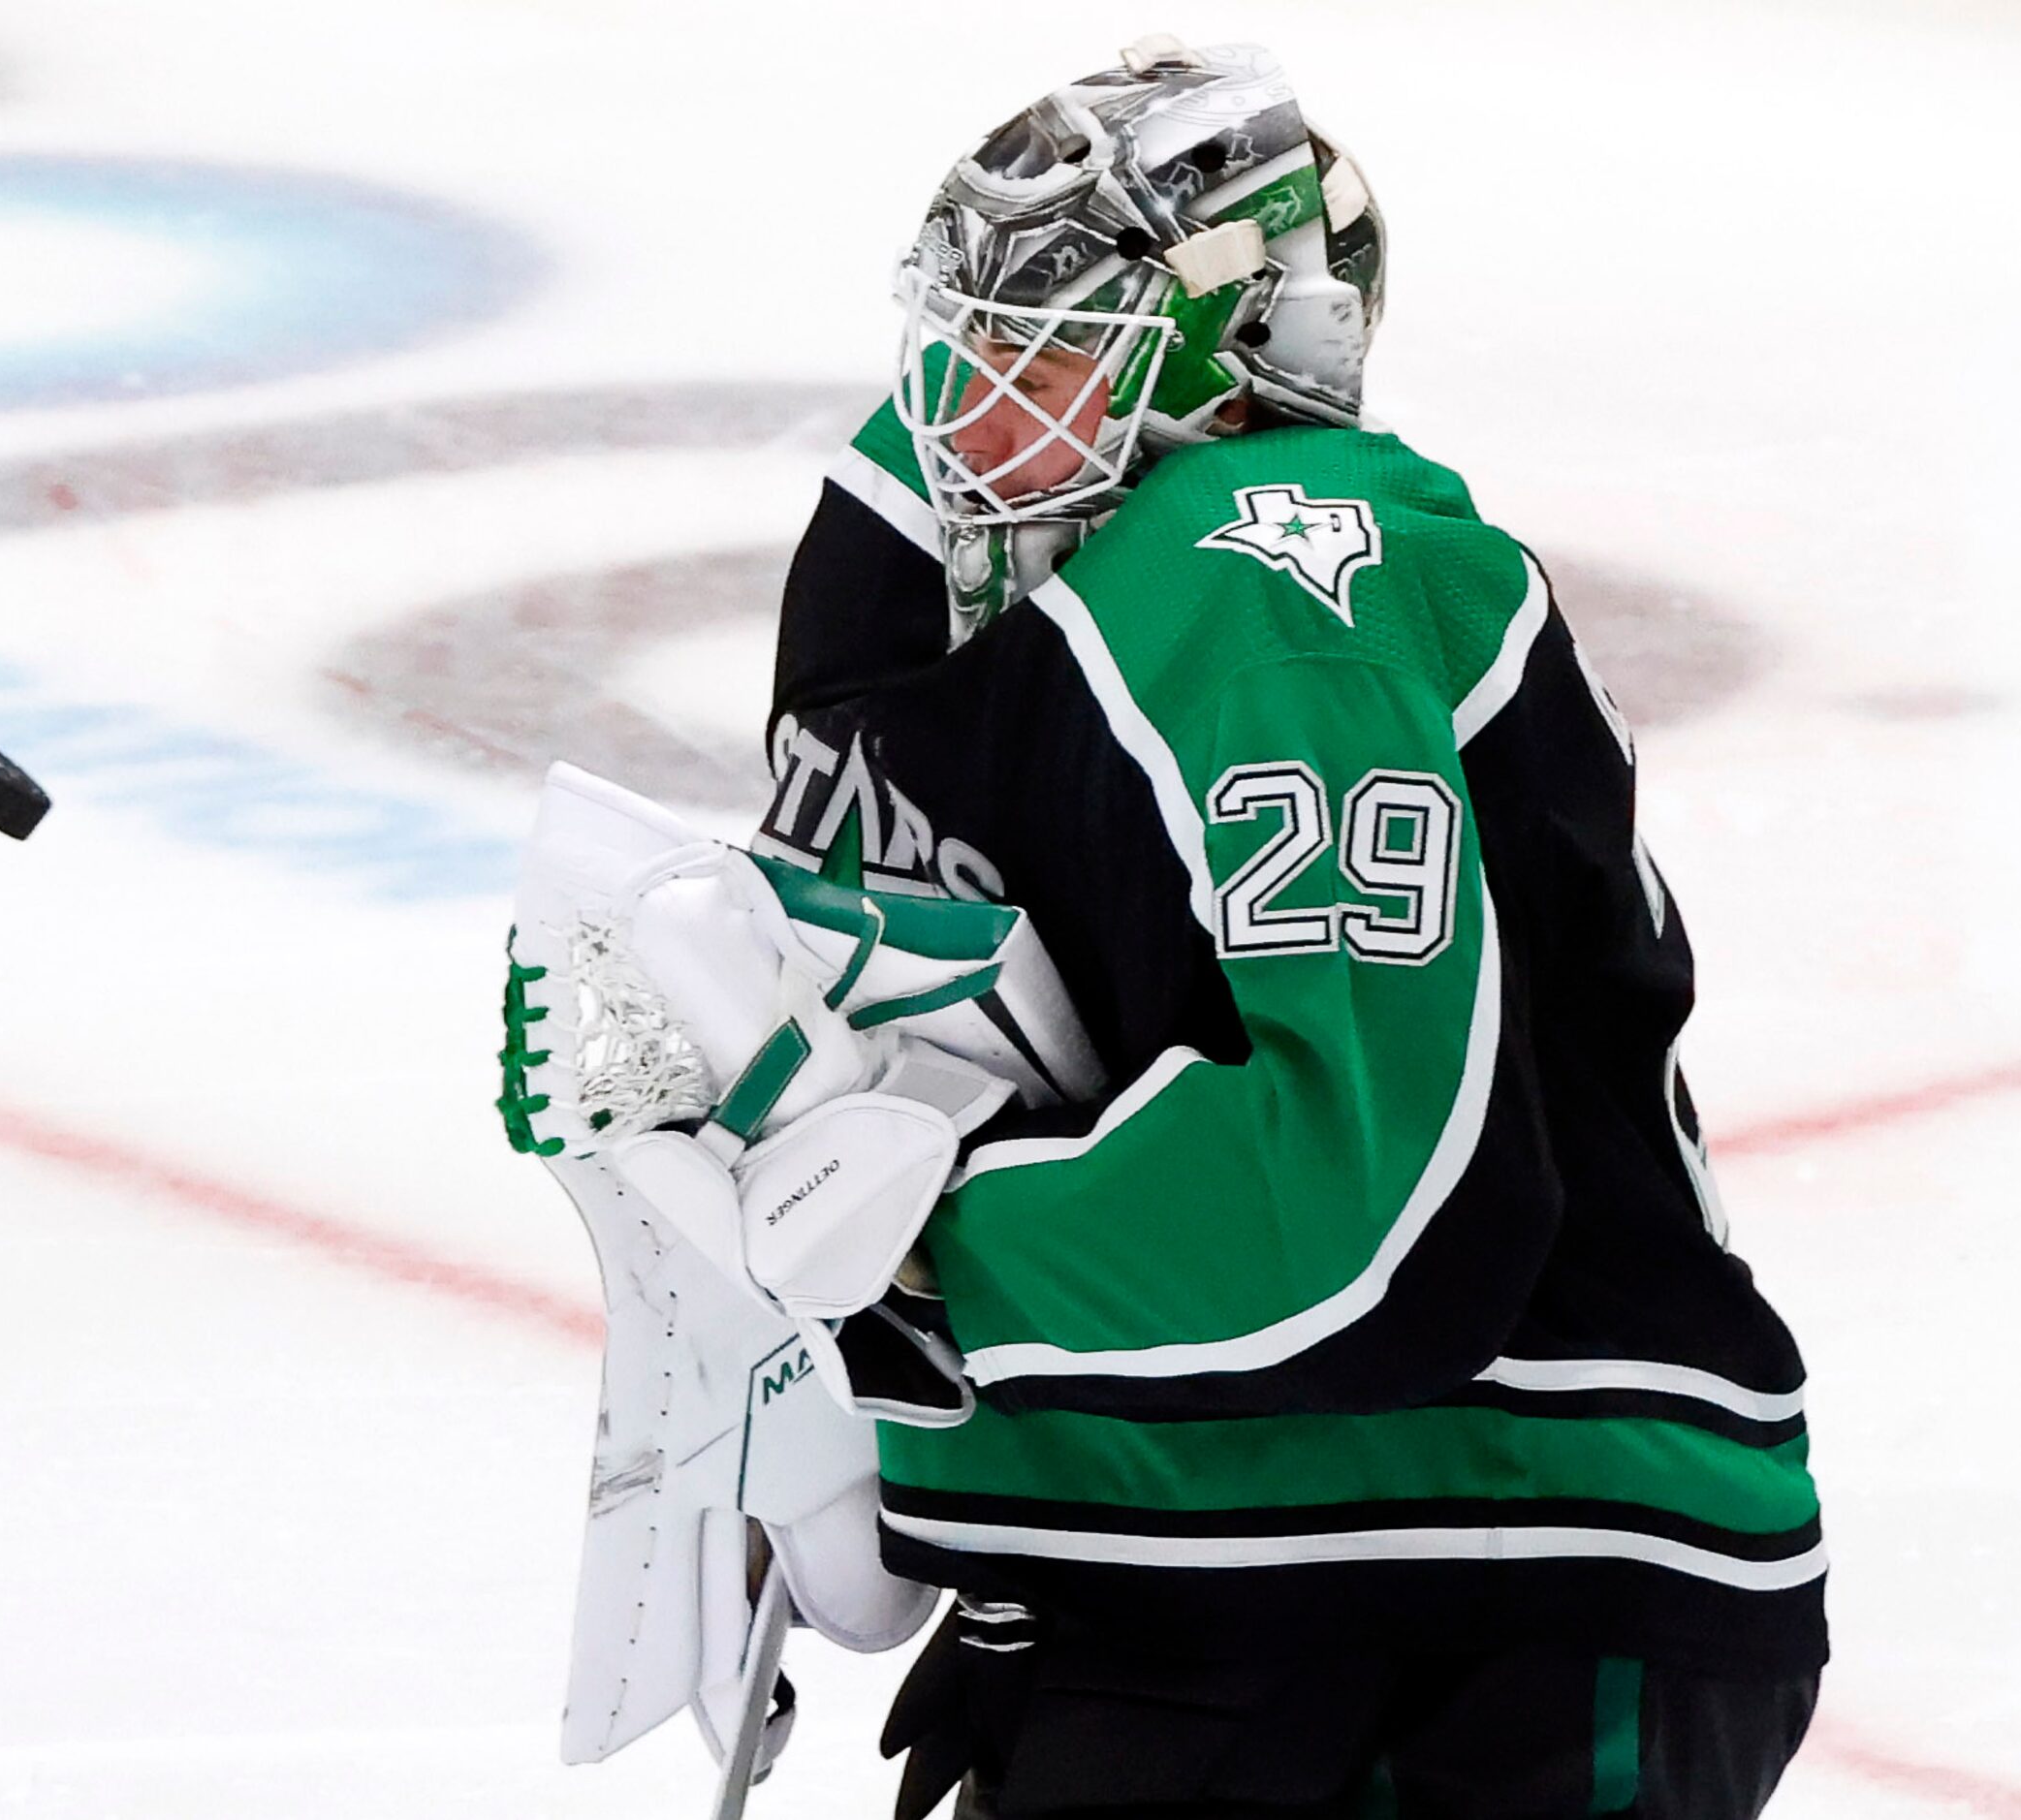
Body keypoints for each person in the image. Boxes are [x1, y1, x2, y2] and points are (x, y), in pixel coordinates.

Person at [756, 36, 1826, 1820]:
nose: (967, 411)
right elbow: (993, 1010)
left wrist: (927, 1241)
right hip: (1231, 1537)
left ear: (1232, 363)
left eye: (1044, 356)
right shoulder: (990, 567)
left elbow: (1367, 1202)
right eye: (965, 343)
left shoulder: (1272, 577)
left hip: (1506, 1563)